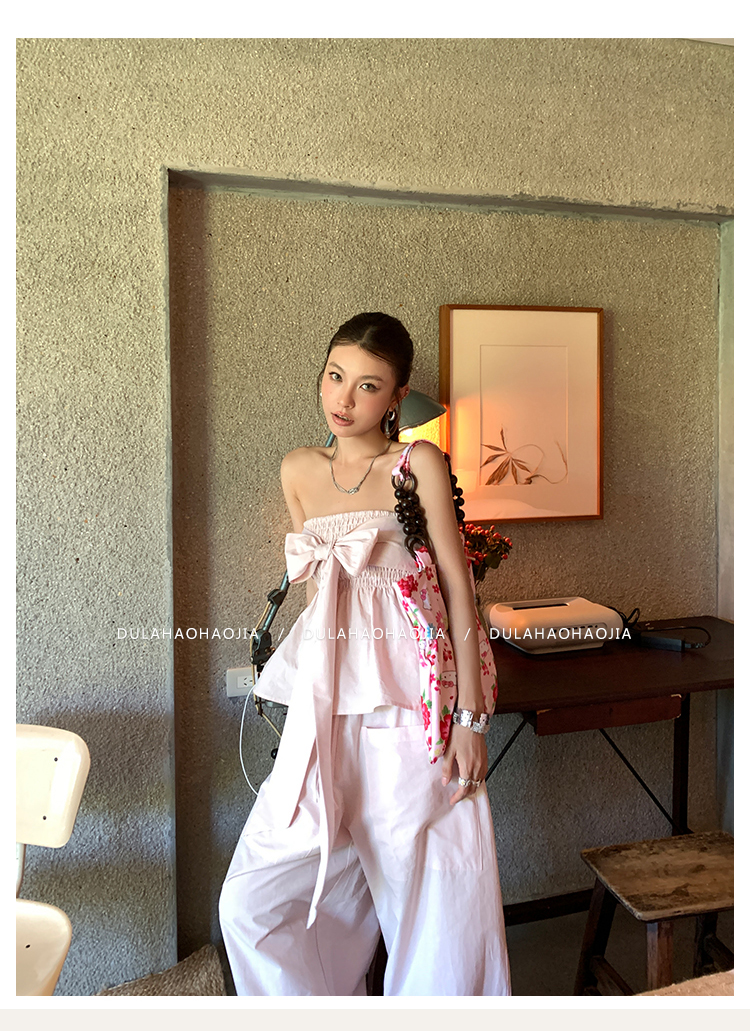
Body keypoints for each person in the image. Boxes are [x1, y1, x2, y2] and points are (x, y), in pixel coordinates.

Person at [219, 312, 511, 996]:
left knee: (436, 900)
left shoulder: (418, 464)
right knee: (251, 902)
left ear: (397, 395)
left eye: (368, 385)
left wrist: (470, 720)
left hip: (410, 707)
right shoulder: (298, 469)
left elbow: (458, 590)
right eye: (335, 375)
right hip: (325, 710)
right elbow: (319, 588)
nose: (344, 398)